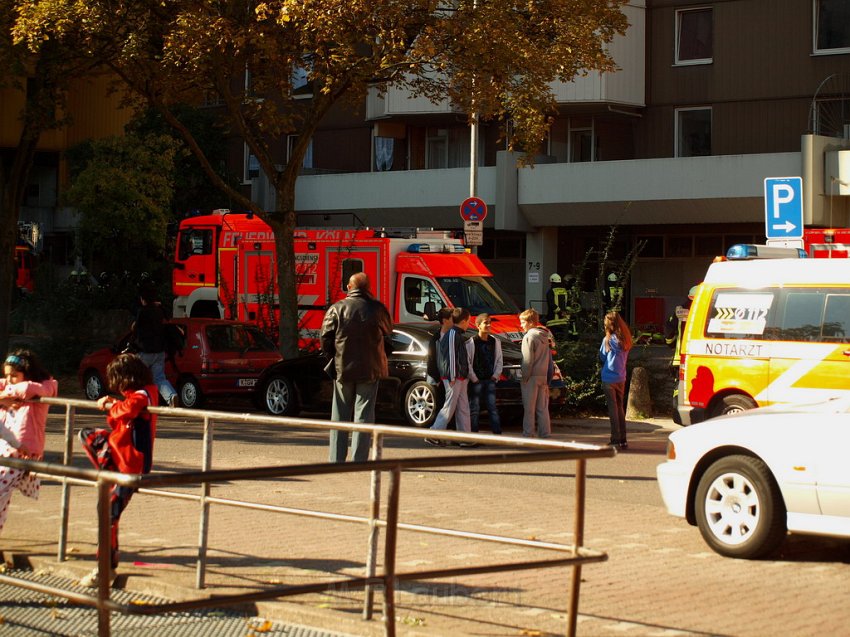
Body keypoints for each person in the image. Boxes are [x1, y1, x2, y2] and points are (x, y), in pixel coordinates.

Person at [78, 353, 158, 587]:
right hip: (119, 457)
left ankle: (105, 568)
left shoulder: (144, 394)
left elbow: (127, 411)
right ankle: (105, 473)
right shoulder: (140, 393)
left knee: (108, 514)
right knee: (87, 434)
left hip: (131, 467)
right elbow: (124, 408)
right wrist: (114, 403)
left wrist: (111, 405)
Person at [320, 272, 392, 463]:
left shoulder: (337, 308)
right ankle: (359, 459)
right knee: (364, 415)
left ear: (349, 287)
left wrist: (334, 358)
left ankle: (336, 459)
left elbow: (325, 339)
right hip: (370, 369)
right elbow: (389, 337)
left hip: (343, 368)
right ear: (368, 288)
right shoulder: (377, 309)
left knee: (339, 416)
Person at [0, 350, 58, 535]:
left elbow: (29, 389)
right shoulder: (7, 387)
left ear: (27, 373)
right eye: (6, 375)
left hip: (24, 449)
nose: (9, 380)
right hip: (5, 446)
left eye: (14, 376)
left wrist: (5, 394)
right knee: (3, 498)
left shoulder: (40, 388)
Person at [425, 308, 473, 446]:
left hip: (457, 376)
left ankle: (465, 437)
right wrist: (452, 377)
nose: (468, 324)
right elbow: (451, 357)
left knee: (460, 406)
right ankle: (434, 433)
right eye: (468, 321)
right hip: (455, 377)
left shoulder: (453, 334)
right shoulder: (453, 334)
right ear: (463, 321)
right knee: (451, 406)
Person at [133, 284, 179, 408]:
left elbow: (135, 329)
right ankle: (171, 395)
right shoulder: (159, 311)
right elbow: (167, 319)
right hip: (159, 351)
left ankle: (139, 401)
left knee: (138, 378)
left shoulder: (142, 312)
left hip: (145, 351)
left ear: (143, 299)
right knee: (159, 378)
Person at [600, 311, 633, 449]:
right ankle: (623, 439)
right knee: (620, 408)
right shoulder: (625, 339)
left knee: (613, 409)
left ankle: (615, 439)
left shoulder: (608, 340)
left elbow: (602, 357)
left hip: (609, 377)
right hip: (621, 376)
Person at [519, 308, 553, 439]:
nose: (521, 325)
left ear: (530, 322)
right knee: (542, 408)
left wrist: (524, 377)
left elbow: (527, 360)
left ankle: (528, 434)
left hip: (531, 376)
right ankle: (545, 434)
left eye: (522, 322)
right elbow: (550, 360)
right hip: (543, 376)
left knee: (529, 408)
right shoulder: (545, 336)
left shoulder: (528, 337)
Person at [468, 313, 503, 435]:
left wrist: (495, 376)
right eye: (485, 322)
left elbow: (499, 360)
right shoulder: (471, 342)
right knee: (474, 409)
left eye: (489, 322)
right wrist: (474, 378)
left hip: (490, 380)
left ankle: (497, 434)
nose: (488, 325)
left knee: (492, 408)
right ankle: (473, 433)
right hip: (476, 381)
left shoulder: (495, 341)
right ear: (478, 325)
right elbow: (468, 362)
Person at [664, 286, 697, 398]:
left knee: (679, 387)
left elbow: (669, 330)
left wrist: (671, 344)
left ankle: (677, 411)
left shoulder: (680, 310)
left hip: (680, 356)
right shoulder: (706, 309)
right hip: (701, 356)